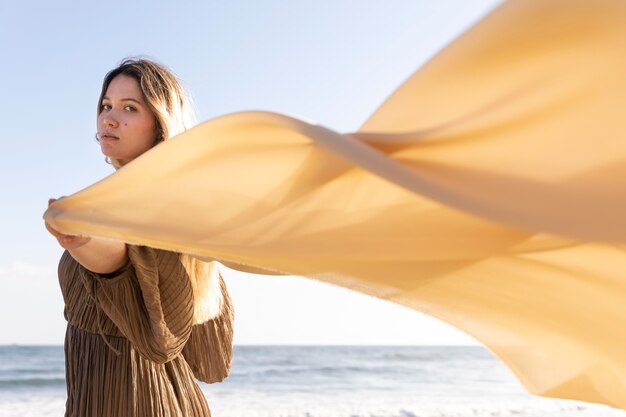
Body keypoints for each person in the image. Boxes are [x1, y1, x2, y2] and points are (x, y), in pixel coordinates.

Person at [45, 58, 234, 417]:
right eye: (106, 105)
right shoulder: (130, 200)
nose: (109, 119)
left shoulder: (158, 209)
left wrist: (83, 240)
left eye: (129, 108)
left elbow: (118, 260)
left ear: (160, 126)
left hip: (137, 402)